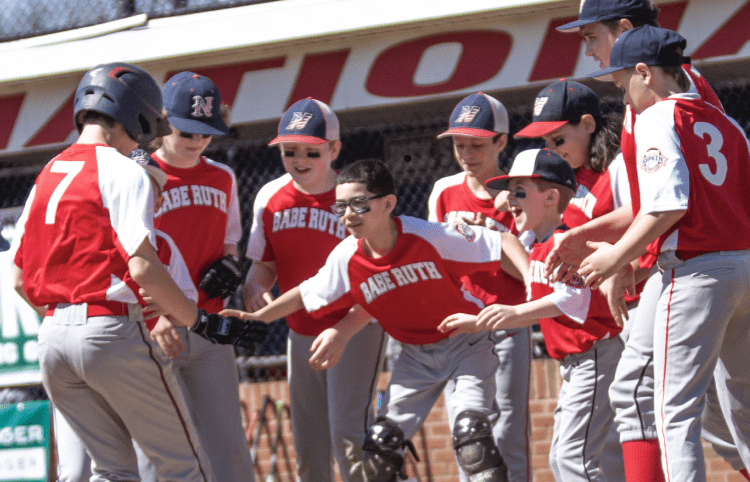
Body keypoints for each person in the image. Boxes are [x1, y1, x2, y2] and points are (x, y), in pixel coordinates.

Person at [10, 62, 266, 482]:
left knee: (111, 471)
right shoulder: (124, 169)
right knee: (185, 466)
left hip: (53, 338)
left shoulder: (48, 173)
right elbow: (143, 266)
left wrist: (68, 322)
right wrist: (199, 319)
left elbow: (19, 280)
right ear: (136, 113)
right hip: (112, 332)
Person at [230, 158, 531, 482]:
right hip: (415, 356)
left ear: (388, 203)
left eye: (359, 204)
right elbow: (306, 292)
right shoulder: (347, 256)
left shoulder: (427, 237)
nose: (348, 215)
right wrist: (258, 317)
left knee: (472, 440)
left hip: (465, 345)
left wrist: (533, 284)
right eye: (341, 206)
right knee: (379, 453)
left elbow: (502, 242)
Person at [552, 3, 750, 481]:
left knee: (668, 408)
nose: (592, 52)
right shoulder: (724, 120)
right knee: (734, 406)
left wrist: (622, 258)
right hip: (738, 263)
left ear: (640, 63)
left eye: (592, 36)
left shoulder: (659, 111)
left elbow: (668, 205)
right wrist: (590, 236)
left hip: (692, 267)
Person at [440, 148, 623, 482]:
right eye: (509, 192)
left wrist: (511, 311)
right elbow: (508, 240)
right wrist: (478, 320)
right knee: (562, 458)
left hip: (595, 356)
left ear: (552, 196)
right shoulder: (538, 245)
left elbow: (573, 302)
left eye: (519, 192)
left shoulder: (564, 243)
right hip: (578, 364)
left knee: (571, 460)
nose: (509, 200)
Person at [242, 98, 387, 482]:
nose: (299, 160)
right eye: (290, 151)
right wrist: (255, 288)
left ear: (334, 149)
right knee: (309, 450)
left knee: (349, 437)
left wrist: (344, 330)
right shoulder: (270, 197)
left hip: (355, 326)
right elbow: (263, 267)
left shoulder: (353, 197)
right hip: (301, 332)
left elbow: (379, 276)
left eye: (312, 151)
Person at [148, 71, 254, 482]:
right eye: (186, 130)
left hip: (210, 324)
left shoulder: (222, 176)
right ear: (162, 120)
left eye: (206, 132)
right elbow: (129, 256)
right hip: (159, 327)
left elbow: (231, 242)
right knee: (163, 446)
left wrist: (229, 268)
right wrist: (153, 314)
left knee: (226, 443)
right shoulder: (140, 175)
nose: (197, 141)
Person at [428, 92, 531, 482]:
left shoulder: (522, 193)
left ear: (501, 142)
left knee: (507, 435)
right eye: (459, 144)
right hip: (463, 328)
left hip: (508, 321)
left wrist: (495, 235)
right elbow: (436, 259)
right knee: (468, 433)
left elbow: (530, 274)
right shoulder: (444, 190)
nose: (467, 153)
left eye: (477, 144)